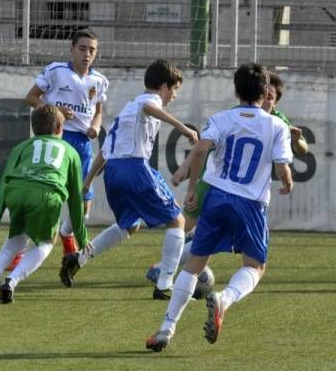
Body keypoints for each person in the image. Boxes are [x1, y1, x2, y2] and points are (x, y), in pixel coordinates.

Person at [146, 63, 294, 351]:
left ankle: (166, 328)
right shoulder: (276, 125)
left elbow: (201, 148)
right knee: (255, 266)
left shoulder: (222, 118)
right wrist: (287, 181)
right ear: (265, 92)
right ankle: (224, 299)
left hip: (215, 197)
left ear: (236, 91)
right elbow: (282, 167)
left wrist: (191, 190)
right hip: (250, 204)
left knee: (194, 264)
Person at [145, 71, 307, 284]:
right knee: (186, 225)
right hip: (211, 182)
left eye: (271, 96)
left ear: (275, 101)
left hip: (242, 193)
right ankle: (164, 267)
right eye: (264, 92)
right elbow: (202, 147)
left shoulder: (279, 122)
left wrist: (297, 140)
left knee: (208, 234)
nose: (266, 97)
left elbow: (302, 149)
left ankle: (170, 270)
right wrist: (185, 168)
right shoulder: (235, 114)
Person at [59, 59, 199, 300]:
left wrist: (88, 181)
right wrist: (183, 128)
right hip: (134, 168)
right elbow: (151, 107)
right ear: (164, 86)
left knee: (130, 225)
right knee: (177, 221)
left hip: (113, 172)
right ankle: (165, 283)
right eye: (174, 90)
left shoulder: (128, 108)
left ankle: (78, 258)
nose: (174, 96)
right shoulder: (149, 101)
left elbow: (105, 150)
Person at [0, 105, 89, 304]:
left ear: (34, 128)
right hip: (46, 194)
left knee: (19, 234)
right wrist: (82, 239)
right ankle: (11, 282)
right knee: (46, 242)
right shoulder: (71, 152)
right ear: (60, 127)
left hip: (16, 192)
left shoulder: (21, 147)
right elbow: (76, 201)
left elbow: (2, 188)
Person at [25, 28, 108, 263]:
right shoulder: (56, 71)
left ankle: (66, 233)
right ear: (72, 49)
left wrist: (96, 126)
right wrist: (55, 112)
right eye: (82, 48)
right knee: (45, 199)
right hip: (56, 138)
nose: (87, 54)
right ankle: (19, 248)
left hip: (81, 144)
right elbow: (30, 98)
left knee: (84, 205)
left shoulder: (99, 81)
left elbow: (99, 112)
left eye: (92, 50)